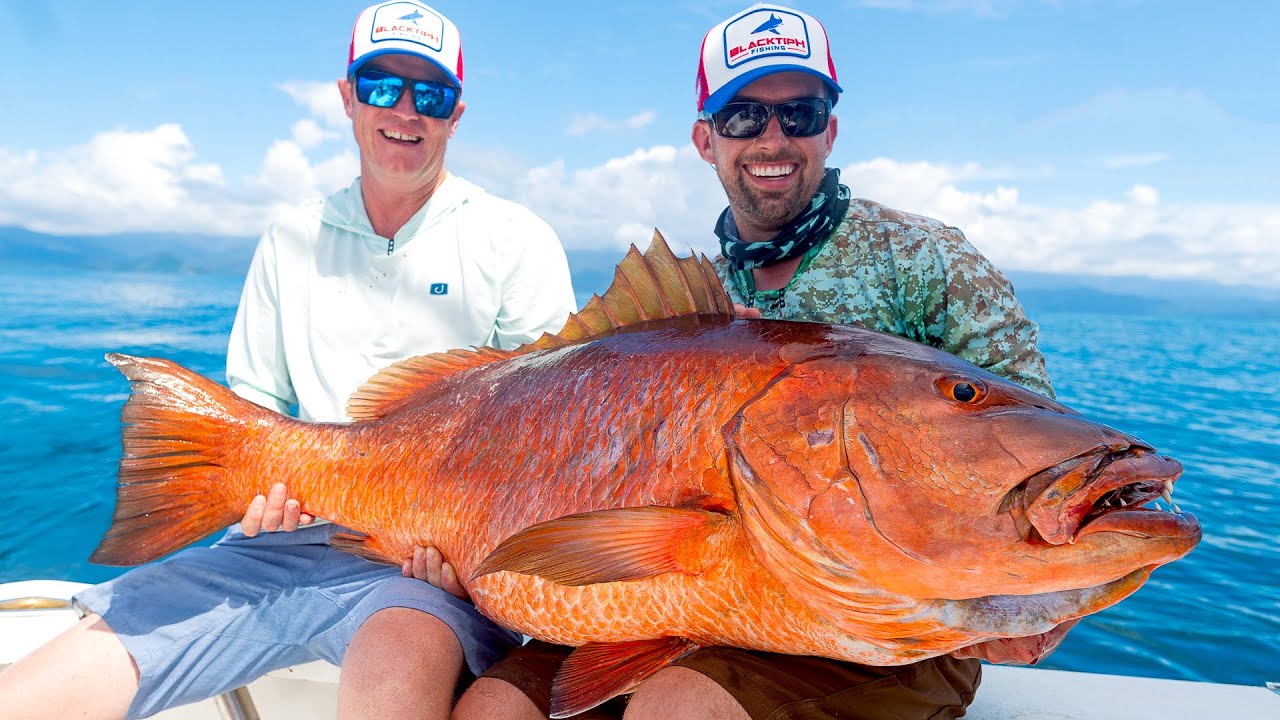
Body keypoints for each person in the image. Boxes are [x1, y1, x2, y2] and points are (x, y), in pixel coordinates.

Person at [447, 4, 1054, 720]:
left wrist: (1038, 595)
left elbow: (1029, 448)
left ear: (830, 130)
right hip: (684, 602)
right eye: (744, 116)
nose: (774, 138)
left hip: (876, 624)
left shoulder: (927, 259)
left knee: (676, 708)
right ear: (706, 139)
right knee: (492, 707)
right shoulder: (685, 306)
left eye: (800, 113)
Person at [0, 3, 576, 719]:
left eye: (430, 94)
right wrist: (259, 500)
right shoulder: (289, 237)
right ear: (347, 96)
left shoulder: (517, 240)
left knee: (397, 672)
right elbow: (256, 411)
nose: (405, 110)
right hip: (279, 543)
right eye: (381, 85)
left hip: (426, 569)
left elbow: (549, 445)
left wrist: (471, 556)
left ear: (455, 115)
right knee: (42, 684)